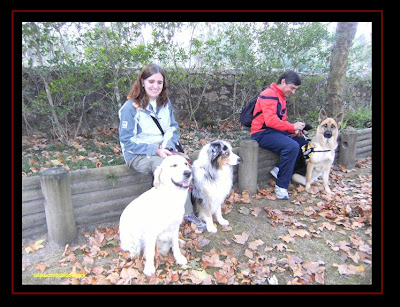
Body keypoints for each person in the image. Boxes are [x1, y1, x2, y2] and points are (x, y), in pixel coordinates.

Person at [118, 63, 206, 229]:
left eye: (159, 82)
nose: (155, 86)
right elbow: (127, 140)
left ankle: (190, 206)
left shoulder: (165, 103)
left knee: (183, 163)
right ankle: (183, 214)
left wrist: (167, 148)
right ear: (142, 82)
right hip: (138, 155)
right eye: (151, 81)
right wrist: (156, 151)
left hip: (163, 149)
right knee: (166, 168)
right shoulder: (130, 108)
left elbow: (172, 128)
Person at [251, 70, 308, 200]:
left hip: (273, 131)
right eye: (292, 88)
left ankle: (281, 170)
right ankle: (281, 187)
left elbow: (280, 122)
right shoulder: (269, 94)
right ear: (283, 82)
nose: (293, 92)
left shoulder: (280, 96)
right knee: (292, 146)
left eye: (295, 89)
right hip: (261, 133)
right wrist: (292, 126)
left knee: (303, 142)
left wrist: (295, 130)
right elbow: (270, 121)